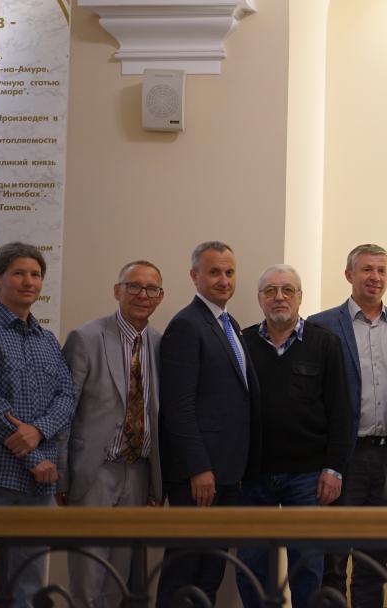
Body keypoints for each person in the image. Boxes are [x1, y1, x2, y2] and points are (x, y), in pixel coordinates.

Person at [236, 265, 351, 608]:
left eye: (287, 290)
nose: (279, 297)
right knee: (252, 565)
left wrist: (334, 468)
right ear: (259, 298)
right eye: (270, 291)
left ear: (300, 297)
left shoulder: (325, 343)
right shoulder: (242, 343)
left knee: (308, 566)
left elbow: (342, 411)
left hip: (308, 476)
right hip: (253, 475)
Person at [309, 243, 387, 608]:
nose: (375, 277)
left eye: (381, 270)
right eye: (367, 269)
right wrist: (326, 462)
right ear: (349, 274)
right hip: (342, 457)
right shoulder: (321, 325)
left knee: (375, 558)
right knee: (333, 556)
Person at [156, 241, 260, 608]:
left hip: (228, 473)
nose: (223, 280)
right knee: (183, 572)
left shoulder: (229, 324)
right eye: (214, 272)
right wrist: (199, 468)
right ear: (194, 276)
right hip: (199, 476)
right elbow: (178, 408)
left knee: (210, 574)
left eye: (229, 272)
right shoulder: (187, 325)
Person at [57, 260, 166, 608]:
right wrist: (62, 475)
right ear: (117, 291)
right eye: (134, 286)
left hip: (138, 472)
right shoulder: (86, 338)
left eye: (151, 289)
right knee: (87, 577)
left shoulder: (159, 344)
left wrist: (155, 485)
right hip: (95, 471)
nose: (142, 295)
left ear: (160, 297)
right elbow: (64, 412)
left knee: (118, 580)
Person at [0, 242, 74, 608]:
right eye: (18, 273)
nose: (29, 281)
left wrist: (39, 431)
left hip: (40, 485)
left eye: (35, 274)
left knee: (29, 587)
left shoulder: (46, 339)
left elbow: (67, 396)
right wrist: (34, 457)